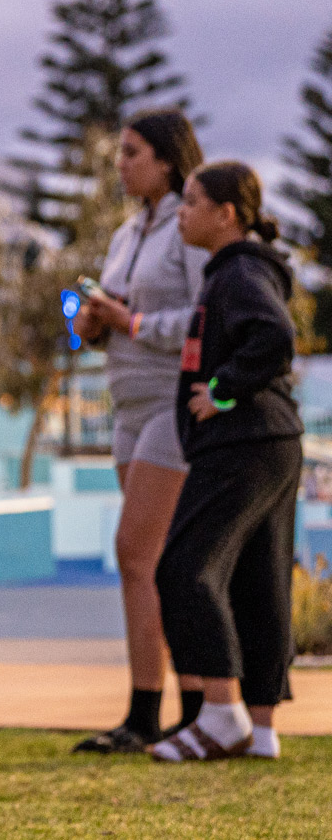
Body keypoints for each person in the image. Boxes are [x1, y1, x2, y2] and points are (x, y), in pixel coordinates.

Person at [151, 162, 301, 762]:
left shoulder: (238, 273)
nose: (181, 212)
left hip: (244, 443)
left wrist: (222, 391)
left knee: (184, 568)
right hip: (271, 443)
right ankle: (260, 729)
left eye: (190, 202)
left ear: (227, 213)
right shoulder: (236, 271)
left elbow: (276, 339)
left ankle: (220, 713)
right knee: (257, 582)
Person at [69, 109, 207, 754]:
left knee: (139, 554)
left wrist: (129, 322)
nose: (121, 163)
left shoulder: (191, 223)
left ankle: (177, 709)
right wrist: (94, 322)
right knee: (149, 563)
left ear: (167, 159)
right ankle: (161, 708)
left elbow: (207, 319)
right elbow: (117, 310)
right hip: (126, 402)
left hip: (173, 403)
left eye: (132, 152)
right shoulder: (128, 232)